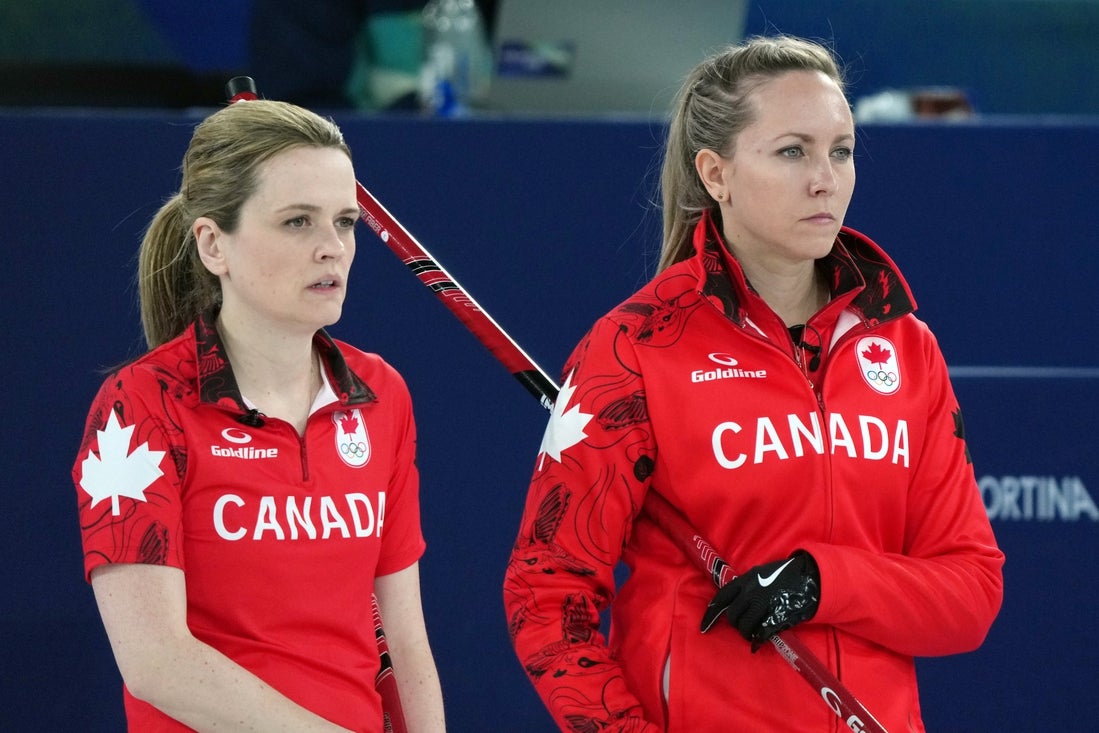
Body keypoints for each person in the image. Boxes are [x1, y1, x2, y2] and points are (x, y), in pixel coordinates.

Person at [502, 35, 1004, 732]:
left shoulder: (903, 346)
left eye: (841, 149)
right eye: (791, 151)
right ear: (716, 173)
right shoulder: (636, 347)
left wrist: (822, 580)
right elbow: (546, 592)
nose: (824, 178)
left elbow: (969, 594)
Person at [72, 99, 446, 732]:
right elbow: (158, 664)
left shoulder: (380, 393)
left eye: (346, 221)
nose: (333, 248)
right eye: (298, 222)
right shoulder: (141, 405)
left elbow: (405, 640)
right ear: (214, 244)